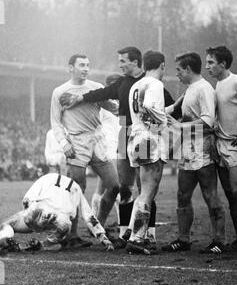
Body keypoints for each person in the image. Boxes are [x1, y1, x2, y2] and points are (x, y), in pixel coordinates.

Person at [58, 47, 179, 247]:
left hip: (142, 134)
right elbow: (102, 93)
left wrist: (171, 127)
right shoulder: (124, 84)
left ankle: (148, 233)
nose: (120, 65)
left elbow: (172, 108)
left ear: (136, 61)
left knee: (145, 188)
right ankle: (126, 233)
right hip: (126, 134)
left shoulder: (150, 85)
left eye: (123, 61)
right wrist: (79, 98)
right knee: (125, 187)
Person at [50, 53, 120, 244]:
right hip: (76, 142)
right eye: (82, 65)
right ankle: (72, 235)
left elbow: (113, 108)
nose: (86, 68)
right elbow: (55, 123)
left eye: (88, 65)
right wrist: (64, 144)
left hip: (97, 140)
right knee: (77, 189)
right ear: (70, 67)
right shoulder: (60, 92)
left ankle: (99, 226)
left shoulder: (96, 88)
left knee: (114, 185)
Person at [162, 52, 226, 254]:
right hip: (187, 150)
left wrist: (180, 127)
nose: (177, 74)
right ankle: (183, 239)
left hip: (203, 151)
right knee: (183, 195)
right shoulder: (190, 89)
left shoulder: (205, 89)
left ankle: (219, 241)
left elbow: (208, 122)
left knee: (210, 195)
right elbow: (173, 109)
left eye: (179, 70)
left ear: (188, 69)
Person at [204, 46, 237, 253]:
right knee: (230, 195)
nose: (207, 66)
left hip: (235, 147)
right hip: (220, 146)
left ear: (223, 64)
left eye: (210, 62)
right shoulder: (217, 86)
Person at [0, 173, 114, 255]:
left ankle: (3, 240)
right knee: (59, 234)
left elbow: (27, 199)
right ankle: (43, 244)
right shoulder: (76, 187)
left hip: (39, 214)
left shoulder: (47, 177)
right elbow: (88, 215)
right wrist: (103, 237)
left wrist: (28, 216)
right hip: (62, 224)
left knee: (7, 223)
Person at [124, 50, 168, 255]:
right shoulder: (156, 84)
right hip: (149, 137)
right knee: (148, 192)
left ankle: (132, 232)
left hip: (136, 136)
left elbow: (144, 109)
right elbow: (150, 106)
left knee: (143, 191)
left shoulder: (136, 84)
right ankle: (137, 238)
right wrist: (164, 121)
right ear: (162, 65)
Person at [91, 74, 122, 228]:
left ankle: (95, 221)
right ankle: (96, 221)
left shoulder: (118, 103)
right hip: (106, 147)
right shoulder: (103, 104)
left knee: (103, 186)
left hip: (117, 146)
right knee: (114, 186)